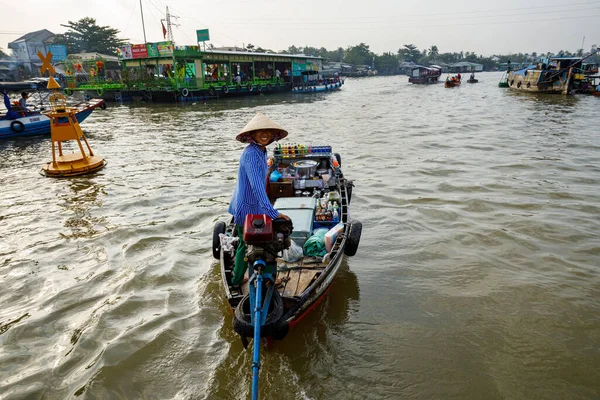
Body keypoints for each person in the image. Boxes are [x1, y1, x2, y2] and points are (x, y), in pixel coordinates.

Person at [229, 112, 290, 286]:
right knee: (245, 244)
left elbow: (261, 182)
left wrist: (267, 206)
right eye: (259, 131)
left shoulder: (261, 151)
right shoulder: (252, 154)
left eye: (267, 131)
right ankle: (237, 280)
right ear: (252, 135)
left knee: (254, 242)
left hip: (253, 204)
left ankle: (257, 276)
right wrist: (272, 213)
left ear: (272, 135)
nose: (264, 134)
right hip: (247, 207)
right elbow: (256, 187)